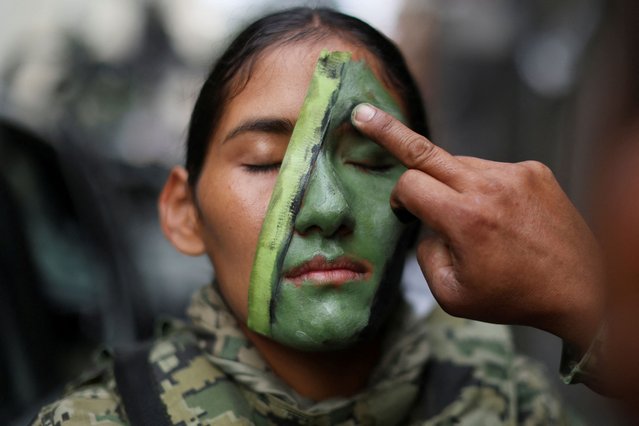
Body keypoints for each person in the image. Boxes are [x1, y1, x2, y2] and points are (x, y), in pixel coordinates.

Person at [32, 8, 571, 425]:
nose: (326, 209)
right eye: (267, 163)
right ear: (183, 212)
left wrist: (591, 312)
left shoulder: (512, 402)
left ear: (427, 197)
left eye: (368, 161)